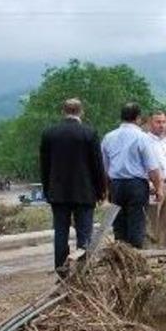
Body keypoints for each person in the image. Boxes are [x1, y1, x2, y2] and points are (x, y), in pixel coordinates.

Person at [39, 98, 107, 272]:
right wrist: (101, 191)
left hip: (58, 193)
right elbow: (97, 166)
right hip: (84, 192)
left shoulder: (49, 134)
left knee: (60, 232)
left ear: (63, 112)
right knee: (84, 233)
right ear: (81, 112)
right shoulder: (89, 133)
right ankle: (84, 271)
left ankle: (61, 271)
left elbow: (44, 165)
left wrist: (47, 190)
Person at [101, 102, 162, 248]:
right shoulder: (142, 137)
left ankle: (120, 257)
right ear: (138, 118)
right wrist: (159, 188)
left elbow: (104, 167)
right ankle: (135, 259)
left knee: (119, 223)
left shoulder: (109, 137)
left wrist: (106, 190)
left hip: (115, 184)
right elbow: (152, 167)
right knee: (136, 223)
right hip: (136, 185)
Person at [144, 111, 166, 247]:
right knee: (152, 220)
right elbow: (144, 165)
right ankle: (151, 255)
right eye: (158, 122)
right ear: (150, 123)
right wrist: (151, 184)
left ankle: (163, 252)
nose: (161, 125)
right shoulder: (145, 140)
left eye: (163, 122)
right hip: (154, 185)